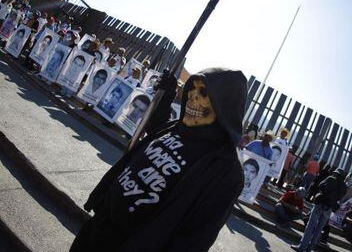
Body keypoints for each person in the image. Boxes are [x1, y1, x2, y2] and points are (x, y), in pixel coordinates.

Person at [70, 67, 247, 251]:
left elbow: (195, 238)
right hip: (100, 224)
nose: (192, 96)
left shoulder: (226, 170)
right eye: (192, 88)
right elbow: (155, 127)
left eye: (203, 92)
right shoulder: (177, 127)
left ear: (225, 105)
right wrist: (167, 91)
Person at [291, 168, 347, 252]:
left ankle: (302, 248)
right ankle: (309, 249)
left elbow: (320, 186)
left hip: (320, 205)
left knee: (310, 227)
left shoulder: (331, 178)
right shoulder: (344, 186)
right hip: (329, 208)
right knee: (319, 230)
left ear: (336, 173)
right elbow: (340, 198)